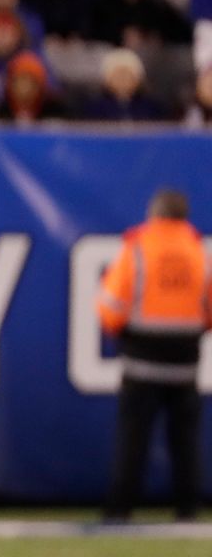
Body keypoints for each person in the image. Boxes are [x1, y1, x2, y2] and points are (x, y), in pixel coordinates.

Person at [98, 189, 210, 523]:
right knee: (185, 444)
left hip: (141, 363)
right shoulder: (198, 253)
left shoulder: (137, 249)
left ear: (154, 214)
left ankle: (120, 510)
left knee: (132, 441)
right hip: (186, 364)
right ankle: (188, 511)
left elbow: (109, 308)